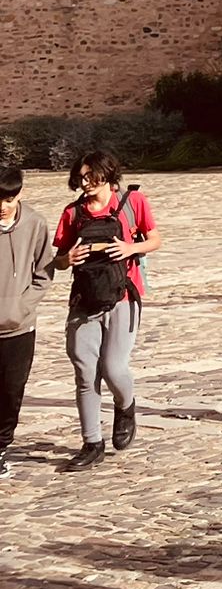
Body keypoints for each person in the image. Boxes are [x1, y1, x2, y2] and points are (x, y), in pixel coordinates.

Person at [51, 149, 163, 472]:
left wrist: (131, 248)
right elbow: (58, 259)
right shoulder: (72, 214)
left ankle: (125, 405)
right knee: (85, 370)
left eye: (91, 177)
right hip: (84, 299)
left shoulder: (132, 204)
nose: (85, 183)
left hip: (123, 298)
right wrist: (66, 260)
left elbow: (155, 239)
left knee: (114, 368)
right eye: (81, 178)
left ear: (108, 175)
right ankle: (92, 443)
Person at [0, 163, 55, 480]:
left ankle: (1, 447)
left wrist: (24, 306)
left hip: (20, 327)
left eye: (8, 199)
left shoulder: (34, 223)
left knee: (11, 392)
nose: (3, 207)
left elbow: (44, 272)